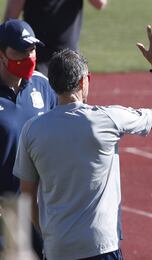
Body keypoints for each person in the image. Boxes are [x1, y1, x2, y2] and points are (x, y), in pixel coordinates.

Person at [12, 23, 152, 259]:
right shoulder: (108, 119)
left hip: (57, 248)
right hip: (101, 246)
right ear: (85, 81)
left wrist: (47, 232)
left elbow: (26, 194)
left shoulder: (32, 129)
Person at [0, 19, 57, 257]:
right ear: (1, 54)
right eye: (20, 51)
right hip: (7, 210)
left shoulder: (44, 87)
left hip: (42, 208)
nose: (28, 56)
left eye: (31, 49)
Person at [4, 0, 108, 75]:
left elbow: (99, 3)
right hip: (38, 56)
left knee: (72, 101)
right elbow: (10, 19)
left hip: (69, 56)